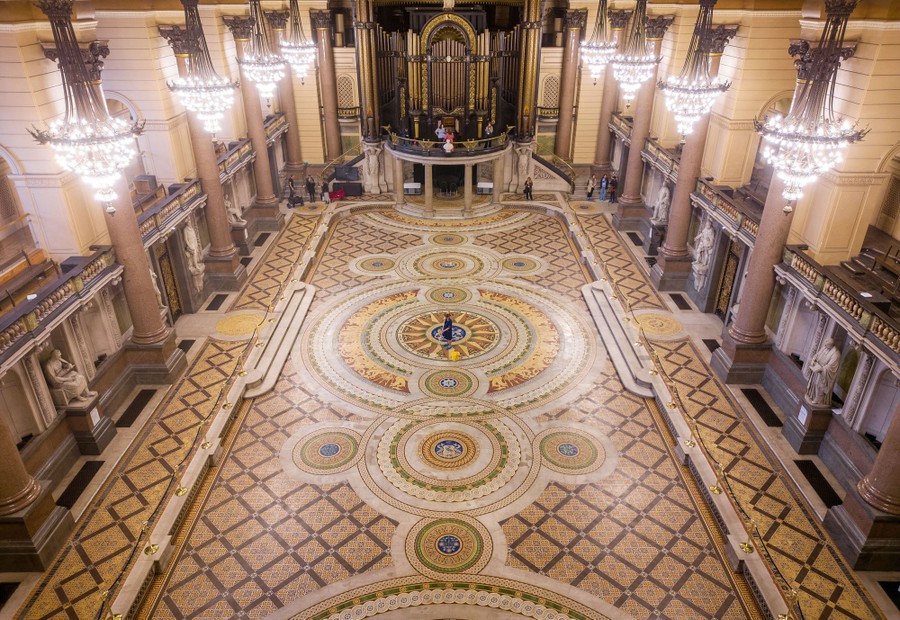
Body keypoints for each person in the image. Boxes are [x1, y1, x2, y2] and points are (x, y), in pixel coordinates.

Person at [804, 338, 841, 406]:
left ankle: (819, 400)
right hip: (817, 368)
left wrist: (822, 369)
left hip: (824, 373)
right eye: (825, 344)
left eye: (827, 345)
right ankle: (811, 395)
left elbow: (831, 367)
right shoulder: (825, 347)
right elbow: (817, 355)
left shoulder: (836, 354)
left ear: (831, 345)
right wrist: (814, 360)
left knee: (819, 385)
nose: (825, 346)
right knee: (814, 382)